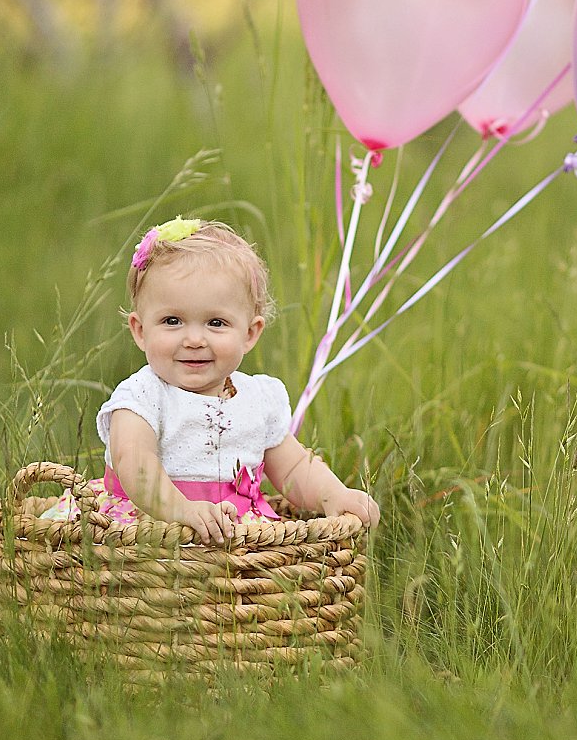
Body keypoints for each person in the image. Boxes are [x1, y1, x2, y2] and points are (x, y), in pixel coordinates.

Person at [64, 216, 380, 542]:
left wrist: (334, 495)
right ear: (141, 331)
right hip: (147, 532)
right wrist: (183, 510)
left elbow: (295, 468)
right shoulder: (142, 396)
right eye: (173, 321)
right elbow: (134, 463)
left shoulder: (258, 398)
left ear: (250, 333)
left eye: (216, 323)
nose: (194, 339)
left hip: (235, 533)